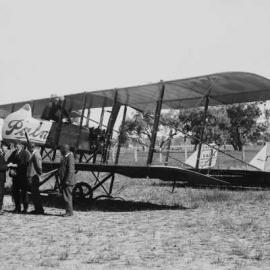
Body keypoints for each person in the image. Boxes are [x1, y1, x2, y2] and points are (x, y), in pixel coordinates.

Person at [7, 141, 31, 213]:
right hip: (15, 176)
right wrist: (11, 168)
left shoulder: (25, 153)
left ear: (21, 145)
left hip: (23, 176)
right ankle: (17, 208)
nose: (16, 147)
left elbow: (26, 164)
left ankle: (25, 208)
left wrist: (16, 166)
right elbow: (9, 160)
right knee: (15, 192)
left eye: (17, 145)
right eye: (15, 145)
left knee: (24, 192)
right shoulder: (14, 153)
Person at [27, 142, 44, 214]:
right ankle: (37, 209)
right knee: (34, 194)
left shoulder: (36, 154)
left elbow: (39, 166)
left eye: (28, 148)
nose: (28, 150)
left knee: (36, 194)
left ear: (31, 148)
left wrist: (39, 174)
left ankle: (39, 210)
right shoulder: (34, 154)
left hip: (34, 177)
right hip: (33, 176)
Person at [59, 144, 75, 217]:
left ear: (66, 149)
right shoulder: (66, 157)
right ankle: (68, 211)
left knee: (68, 196)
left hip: (68, 181)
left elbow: (71, 170)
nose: (60, 150)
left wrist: (68, 180)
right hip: (65, 180)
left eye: (62, 149)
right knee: (66, 196)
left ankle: (69, 212)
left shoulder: (70, 157)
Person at [0, 141, 9, 215]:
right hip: (0, 178)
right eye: (6, 147)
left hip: (2, 178)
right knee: (0, 193)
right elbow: (1, 167)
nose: (6, 149)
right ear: (3, 147)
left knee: (1, 193)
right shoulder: (0, 155)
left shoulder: (2, 155)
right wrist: (8, 166)